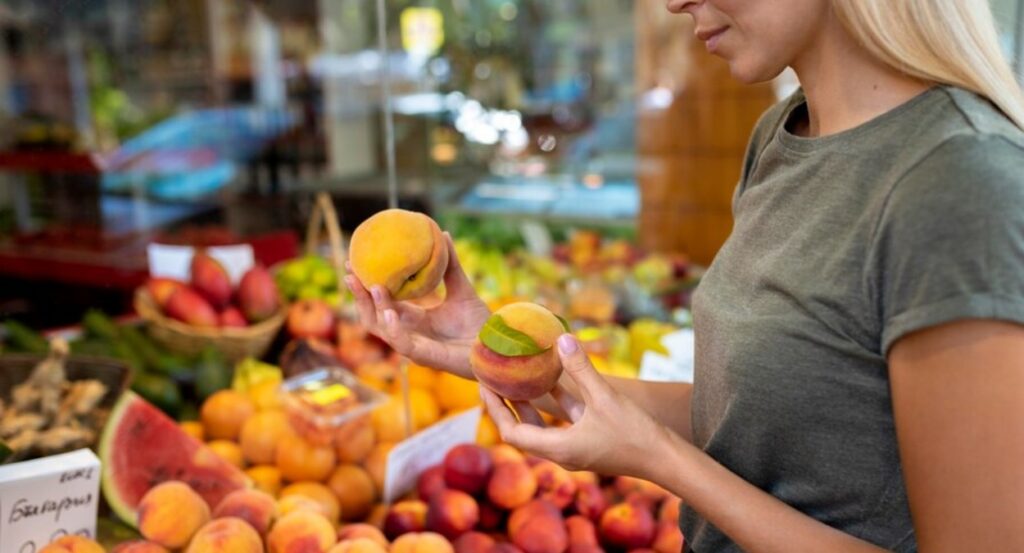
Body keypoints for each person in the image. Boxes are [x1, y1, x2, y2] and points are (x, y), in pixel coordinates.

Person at [346, 1, 1024, 551]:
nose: (673, 2)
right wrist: (504, 357)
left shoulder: (959, 183)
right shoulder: (784, 135)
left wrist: (660, 460)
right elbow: (751, 422)